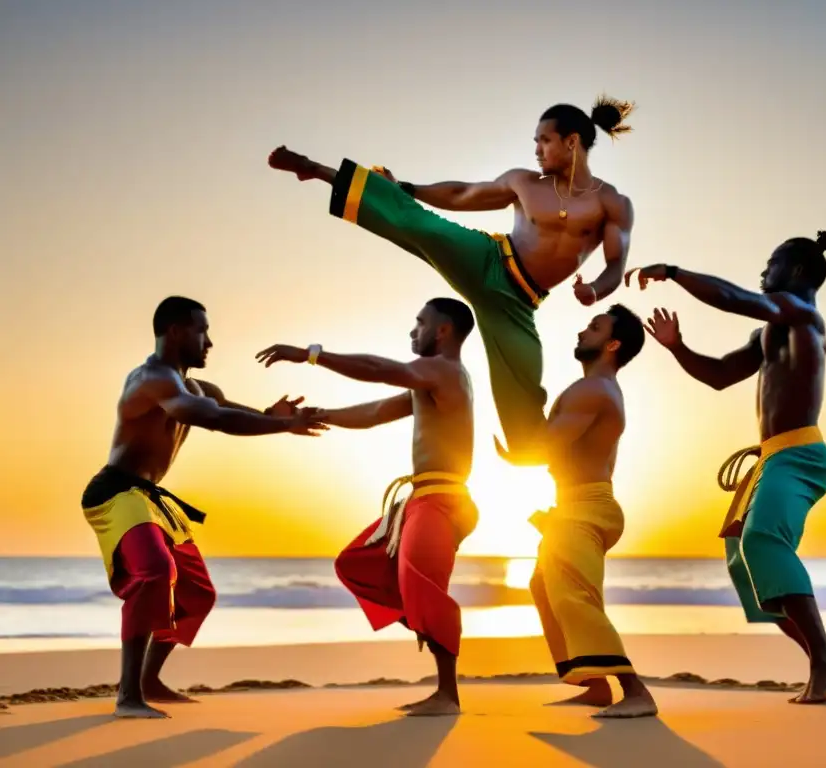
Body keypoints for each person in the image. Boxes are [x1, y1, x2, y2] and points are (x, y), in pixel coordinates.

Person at [266, 96, 637, 465]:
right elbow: (463, 194)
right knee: (420, 225)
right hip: (489, 259)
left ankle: (532, 454)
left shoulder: (612, 204)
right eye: (535, 142)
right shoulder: (523, 182)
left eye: (544, 141)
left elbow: (614, 266)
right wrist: (408, 190)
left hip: (518, 305)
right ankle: (315, 169)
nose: (537, 150)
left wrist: (594, 290)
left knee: (523, 393)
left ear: (571, 142)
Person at [628, 231, 826, 704]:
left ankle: (823, 663)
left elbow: (733, 298)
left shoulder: (802, 314)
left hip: (801, 454)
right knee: (742, 559)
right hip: (771, 458)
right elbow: (720, 375)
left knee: (764, 541)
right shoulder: (770, 329)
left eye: (770, 264)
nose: (762, 273)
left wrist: (673, 272)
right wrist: (677, 347)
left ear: (795, 272)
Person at [81, 296, 328, 719]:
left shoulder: (193, 385)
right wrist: (284, 425)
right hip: (117, 492)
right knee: (156, 573)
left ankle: (147, 680)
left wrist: (271, 415)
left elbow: (227, 407)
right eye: (202, 330)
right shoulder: (153, 380)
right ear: (176, 331)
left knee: (196, 594)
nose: (209, 341)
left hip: (148, 498)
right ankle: (127, 696)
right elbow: (212, 418)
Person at [255, 297, 480, 716]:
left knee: (425, 590)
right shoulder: (430, 381)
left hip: (442, 499)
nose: (413, 331)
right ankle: (428, 633)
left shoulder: (443, 369)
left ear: (443, 330)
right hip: (420, 499)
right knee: (357, 564)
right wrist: (310, 415)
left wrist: (311, 355)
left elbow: (378, 371)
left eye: (420, 323)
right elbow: (375, 411)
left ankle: (447, 695)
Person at [528, 304, 657, 719]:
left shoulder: (593, 390)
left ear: (612, 344)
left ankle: (636, 692)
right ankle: (596, 685)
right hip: (576, 503)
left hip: (586, 505)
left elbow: (544, 446)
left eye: (595, 327)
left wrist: (519, 422)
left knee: (573, 595)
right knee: (544, 586)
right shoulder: (592, 388)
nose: (584, 331)